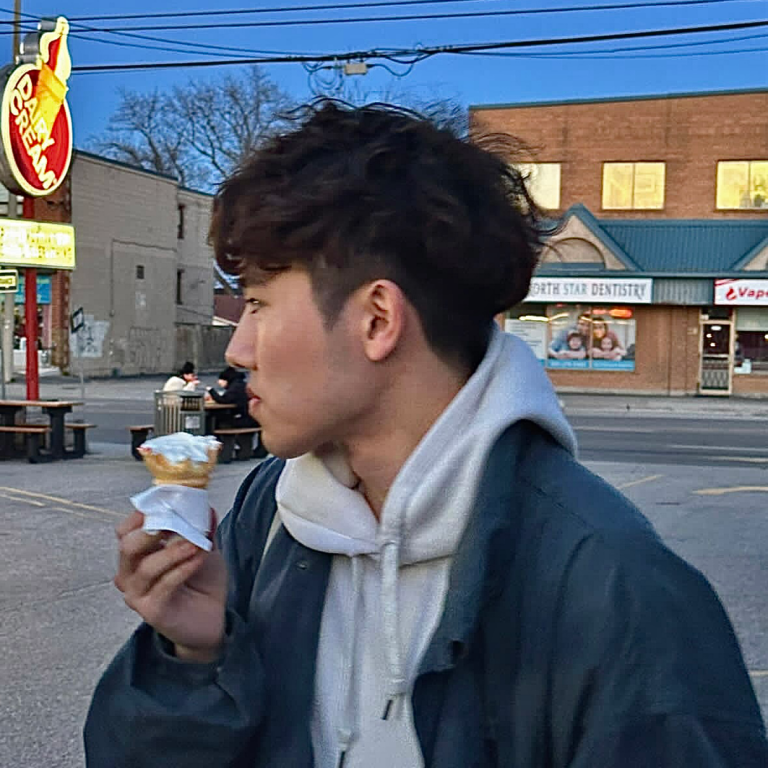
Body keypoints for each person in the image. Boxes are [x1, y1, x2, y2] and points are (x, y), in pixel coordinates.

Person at [84, 101, 767, 767]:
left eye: (259, 303)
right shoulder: (270, 515)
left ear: (378, 320)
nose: (238, 350)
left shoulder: (620, 591)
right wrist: (195, 657)